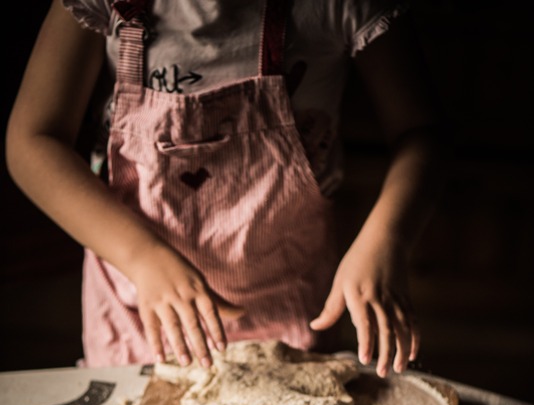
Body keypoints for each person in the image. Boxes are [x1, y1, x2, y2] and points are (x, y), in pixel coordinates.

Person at [6, 0, 447, 376]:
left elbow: (422, 130)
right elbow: (32, 141)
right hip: (138, 308)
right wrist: (141, 257)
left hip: (289, 300)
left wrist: (387, 238)